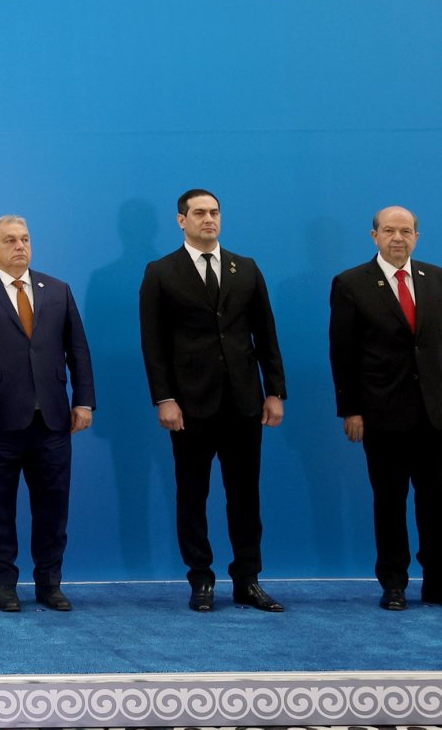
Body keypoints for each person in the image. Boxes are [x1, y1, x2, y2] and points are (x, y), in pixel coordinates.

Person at [139, 188, 286, 613]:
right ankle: (201, 579)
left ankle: (248, 579)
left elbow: (266, 334)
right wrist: (164, 398)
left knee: (245, 495)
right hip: (189, 404)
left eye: (215, 212)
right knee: (193, 494)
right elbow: (154, 343)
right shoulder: (161, 271)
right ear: (181, 220)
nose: (209, 219)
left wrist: (274, 390)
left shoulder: (246, 268)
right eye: (199, 213)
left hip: (244, 400)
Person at [0, 215, 94, 613]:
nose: (20, 246)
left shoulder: (58, 290)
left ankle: (49, 583)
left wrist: (83, 401)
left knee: (53, 507)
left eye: (25, 239)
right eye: (10, 240)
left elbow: (78, 350)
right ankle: (5, 585)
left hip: (52, 421)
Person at [329, 206, 442, 610]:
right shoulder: (351, 284)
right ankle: (394, 582)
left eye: (406, 231)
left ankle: (436, 581)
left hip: (435, 414)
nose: (399, 238)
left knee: (435, 501)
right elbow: (342, 353)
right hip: (381, 414)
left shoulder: (436, 279)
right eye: (390, 231)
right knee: (390, 501)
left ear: (417, 236)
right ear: (373, 235)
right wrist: (351, 409)